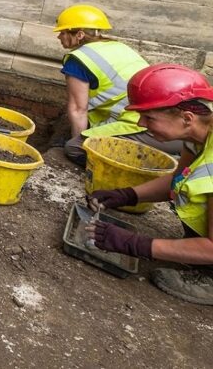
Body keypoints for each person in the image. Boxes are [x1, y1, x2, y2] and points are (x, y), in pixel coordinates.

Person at [87, 64, 213, 304]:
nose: (141, 124)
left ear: (187, 118)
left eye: (149, 117)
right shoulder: (199, 133)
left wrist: (136, 244)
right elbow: (179, 179)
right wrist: (127, 195)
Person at [53, 4, 181, 166]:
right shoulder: (119, 47)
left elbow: (78, 110)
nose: (59, 37)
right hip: (176, 129)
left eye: (63, 32)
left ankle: (156, 165)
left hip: (144, 127)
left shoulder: (78, 60)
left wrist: (78, 139)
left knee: (74, 148)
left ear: (79, 34)